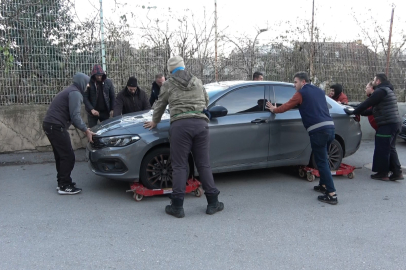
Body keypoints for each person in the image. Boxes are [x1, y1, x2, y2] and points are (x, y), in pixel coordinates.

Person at [143, 56, 224, 218]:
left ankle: (177, 206)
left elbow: (160, 105)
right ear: (183, 67)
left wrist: (154, 121)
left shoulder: (168, 84)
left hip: (180, 126)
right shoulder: (197, 81)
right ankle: (213, 203)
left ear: (170, 69)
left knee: (179, 165)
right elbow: (206, 101)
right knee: (203, 164)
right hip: (201, 125)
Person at [266, 71, 338, 205]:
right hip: (330, 128)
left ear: (303, 82)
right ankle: (323, 185)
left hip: (318, 131)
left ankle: (332, 194)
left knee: (321, 161)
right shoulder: (319, 91)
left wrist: (274, 110)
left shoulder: (301, 94)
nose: (294, 85)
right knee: (323, 159)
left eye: (295, 82)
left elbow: (286, 107)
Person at [42, 73, 95, 195]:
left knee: (61, 156)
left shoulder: (71, 91)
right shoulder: (75, 93)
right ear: (82, 82)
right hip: (55, 126)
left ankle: (63, 182)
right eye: (87, 83)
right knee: (68, 156)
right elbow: (75, 116)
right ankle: (64, 185)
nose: (88, 86)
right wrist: (86, 130)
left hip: (50, 125)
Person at [345, 73, 403, 181]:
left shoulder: (380, 91)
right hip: (394, 123)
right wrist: (359, 111)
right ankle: (397, 172)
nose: (373, 81)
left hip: (387, 125)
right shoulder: (388, 91)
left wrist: (353, 112)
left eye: (374, 80)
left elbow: (367, 103)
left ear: (378, 81)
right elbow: (373, 109)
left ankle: (383, 173)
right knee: (390, 148)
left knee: (382, 148)